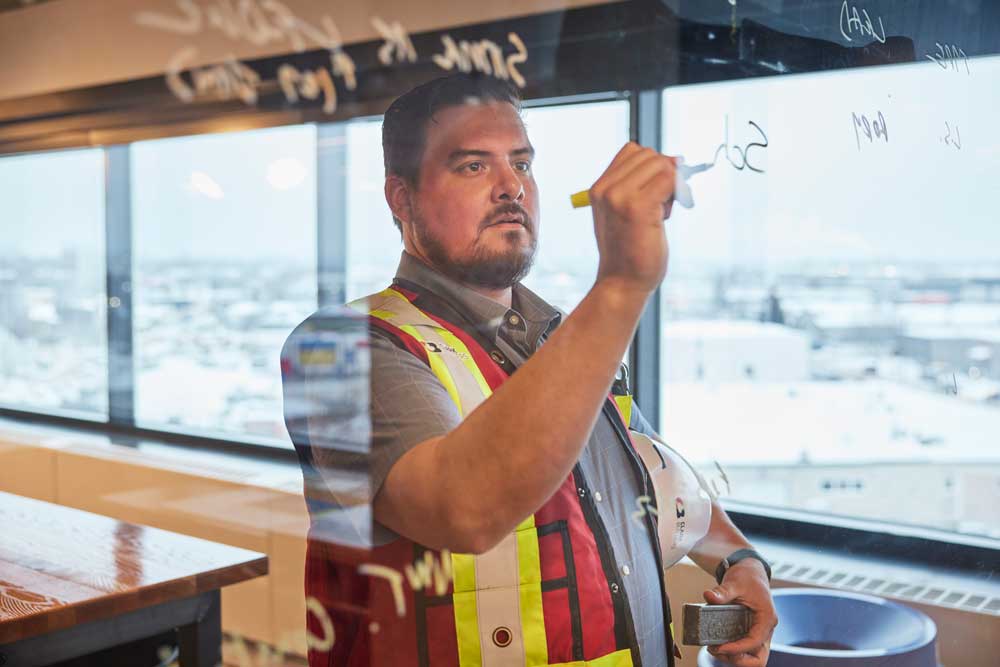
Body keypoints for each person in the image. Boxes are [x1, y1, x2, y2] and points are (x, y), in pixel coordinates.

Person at [281, 73, 777, 667]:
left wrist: (739, 560)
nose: (511, 186)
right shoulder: (339, 348)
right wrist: (620, 285)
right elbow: (459, 507)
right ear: (401, 198)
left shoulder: (567, 340)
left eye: (521, 162)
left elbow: (648, 462)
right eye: (472, 166)